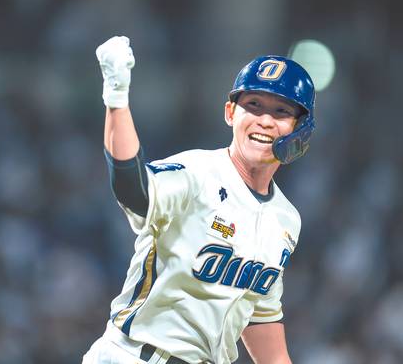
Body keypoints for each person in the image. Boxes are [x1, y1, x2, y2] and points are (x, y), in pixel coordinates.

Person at [85, 36, 316, 364]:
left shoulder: (286, 219)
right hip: (136, 355)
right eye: (254, 105)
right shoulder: (197, 173)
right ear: (230, 113)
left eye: (280, 111)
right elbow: (134, 191)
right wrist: (117, 97)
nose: (264, 119)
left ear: (300, 129)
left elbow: (259, 314)